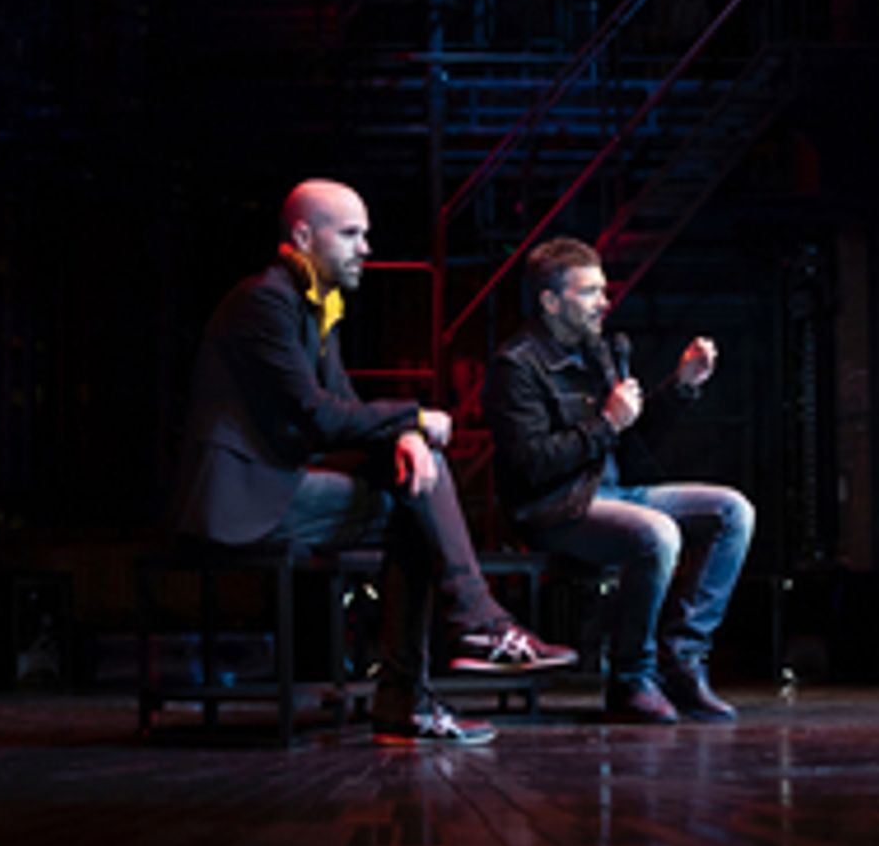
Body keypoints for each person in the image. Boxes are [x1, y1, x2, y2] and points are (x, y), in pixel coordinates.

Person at [168, 179, 576, 746]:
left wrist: (400, 440)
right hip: (242, 499)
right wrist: (413, 420)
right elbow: (318, 417)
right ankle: (460, 644)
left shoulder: (316, 304)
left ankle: (451, 654)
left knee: (414, 482)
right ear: (304, 235)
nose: (367, 248)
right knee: (415, 500)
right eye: (352, 234)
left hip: (279, 483)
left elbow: (347, 410)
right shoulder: (264, 302)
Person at [482, 237, 754, 723]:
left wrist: (682, 387)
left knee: (732, 511)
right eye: (589, 292)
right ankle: (632, 679)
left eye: (603, 290)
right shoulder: (517, 365)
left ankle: (683, 660)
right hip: (554, 506)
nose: (604, 303)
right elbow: (530, 465)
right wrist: (604, 424)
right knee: (658, 533)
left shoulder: (602, 351)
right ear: (550, 301)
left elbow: (635, 437)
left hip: (612, 493)